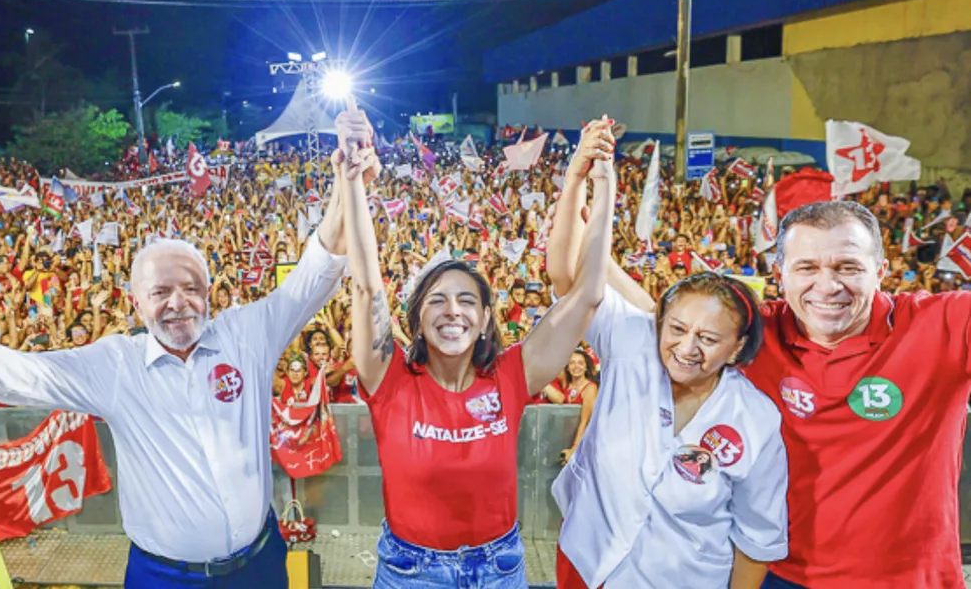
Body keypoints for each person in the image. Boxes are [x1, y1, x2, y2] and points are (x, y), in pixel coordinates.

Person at [0, 110, 372, 588]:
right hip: (164, 577)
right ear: (136, 302)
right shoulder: (114, 365)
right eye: (160, 293)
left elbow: (319, 267)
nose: (178, 303)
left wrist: (345, 180)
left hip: (261, 565)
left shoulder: (248, 335)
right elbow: (22, 373)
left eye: (191, 288)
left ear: (209, 290)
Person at [343, 112, 618, 587]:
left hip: (500, 569)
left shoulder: (512, 375)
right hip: (411, 573)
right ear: (416, 319)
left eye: (468, 300)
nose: (453, 311)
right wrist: (350, 181)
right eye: (438, 300)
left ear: (487, 318)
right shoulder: (388, 380)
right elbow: (367, 288)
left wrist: (593, 178)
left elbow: (588, 293)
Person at [547, 126, 789, 589]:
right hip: (590, 563)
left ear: (738, 347)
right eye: (677, 329)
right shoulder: (632, 342)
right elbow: (566, 276)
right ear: (658, 322)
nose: (686, 348)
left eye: (709, 338)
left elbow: (757, 538)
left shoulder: (756, 418)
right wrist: (579, 179)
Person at [744, 201, 971, 588]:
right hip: (781, 576)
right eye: (807, 268)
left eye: (847, 267)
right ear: (779, 274)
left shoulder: (943, 324)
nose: (828, 286)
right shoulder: (751, 333)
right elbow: (642, 319)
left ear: (880, 272)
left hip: (913, 581)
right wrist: (602, 194)